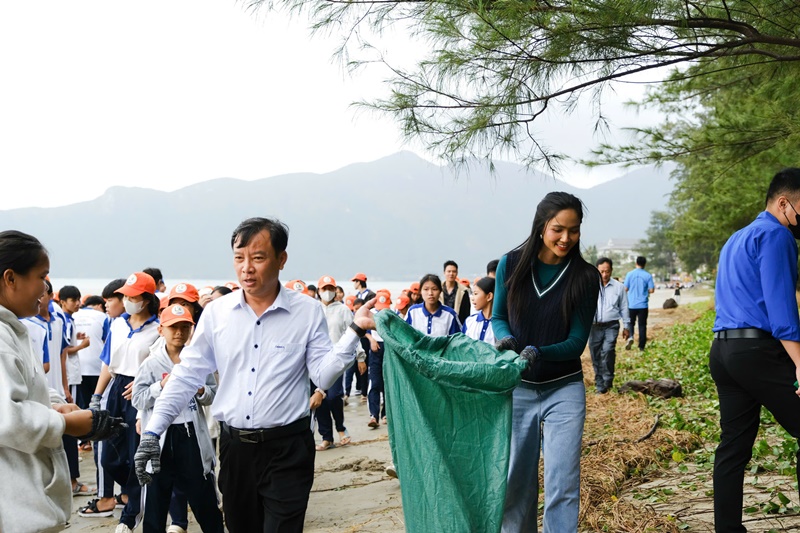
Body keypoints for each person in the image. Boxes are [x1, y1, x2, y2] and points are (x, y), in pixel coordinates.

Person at [135, 217, 376, 533]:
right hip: (236, 451)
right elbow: (186, 376)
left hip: (288, 449)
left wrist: (355, 330)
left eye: (258, 258)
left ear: (281, 259)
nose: (246, 268)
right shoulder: (218, 314)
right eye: (239, 258)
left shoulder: (307, 311)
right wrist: (153, 432)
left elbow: (323, 374)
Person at [492, 191, 600, 532]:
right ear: (541, 227)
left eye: (574, 230)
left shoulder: (584, 277)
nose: (566, 238)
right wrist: (506, 340)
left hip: (564, 390)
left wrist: (537, 351)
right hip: (518, 388)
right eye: (558, 229)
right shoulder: (510, 264)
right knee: (515, 482)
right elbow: (497, 316)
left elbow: (575, 343)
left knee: (562, 484)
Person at [0, 230, 118, 533]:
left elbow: (29, 384)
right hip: (16, 506)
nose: (46, 288)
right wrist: (64, 423)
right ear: (10, 278)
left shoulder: (13, 329)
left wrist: (58, 404)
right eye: (42, 277)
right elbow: (7, 418)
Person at [710, 168, 800, 532]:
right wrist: (799, 363)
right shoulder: (777, 236)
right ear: (784, 203)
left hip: (723, 352)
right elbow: (782, 312)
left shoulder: (737, 237)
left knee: (732, 448)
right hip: (756, 352)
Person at [132, 304, 224, 533]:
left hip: (190, 433)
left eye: (185, 327)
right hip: (161, 436)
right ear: (161, 329)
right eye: (173, 327)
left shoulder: (198, 360)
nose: (179, 333)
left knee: (203, 496)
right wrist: (160, 386)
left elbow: (212, 394)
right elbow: (138, 399)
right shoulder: (151, 363)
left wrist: (201, 391)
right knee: (156, 498)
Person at [82, 272, 160, 532]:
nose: (127, 300)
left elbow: (159, 366)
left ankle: (130, 514)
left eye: (132, 296)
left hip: (139, 394)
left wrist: (142, 383)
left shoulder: (157, 328)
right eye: (125, 295)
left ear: (146, 299)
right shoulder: (116, 324)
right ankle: (130, 494)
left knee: (136, 454)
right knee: (110, 457)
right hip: (116, 390)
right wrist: (96, 396)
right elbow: (108, 363)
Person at [313, 275, 362, 449]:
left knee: (334, 396)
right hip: (315, 360)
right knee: (320, 401)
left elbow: (355, 334)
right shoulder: (314, 309)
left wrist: (361, 356)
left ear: (335, 290)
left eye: (330, 288)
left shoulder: (343, 310)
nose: (327, 292)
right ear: (318, 291)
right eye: (324, 288)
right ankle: (327, 437)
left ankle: (340, 427)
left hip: (336, 361)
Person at [589, 257, 630, 394]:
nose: (605, 275)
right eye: (601, 272)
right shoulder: (590, 285)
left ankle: (608, 379)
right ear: (596, 270)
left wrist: (626, 326)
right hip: (594, 326)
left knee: (607, 351)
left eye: (607, 271)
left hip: (611, 325)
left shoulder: (618, 287)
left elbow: (624, 307)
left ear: (611, 271)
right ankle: (600, 383)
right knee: (595, 354)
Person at [624, 255, 655, 351]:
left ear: (636, 263)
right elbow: (652, 290)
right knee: (642, 325)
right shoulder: (648, 275)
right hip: (643, 305)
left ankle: (631, 337)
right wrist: (645, 290)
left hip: (631, 304)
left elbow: (625, 288)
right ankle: (641, 346)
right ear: (644, 264)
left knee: (630, 323)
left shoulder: (629, 274)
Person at [463, 276, 495, 344]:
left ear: (489, 296)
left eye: (476, 294)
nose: (472, 298)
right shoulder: (470, 321)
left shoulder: (501, 325)